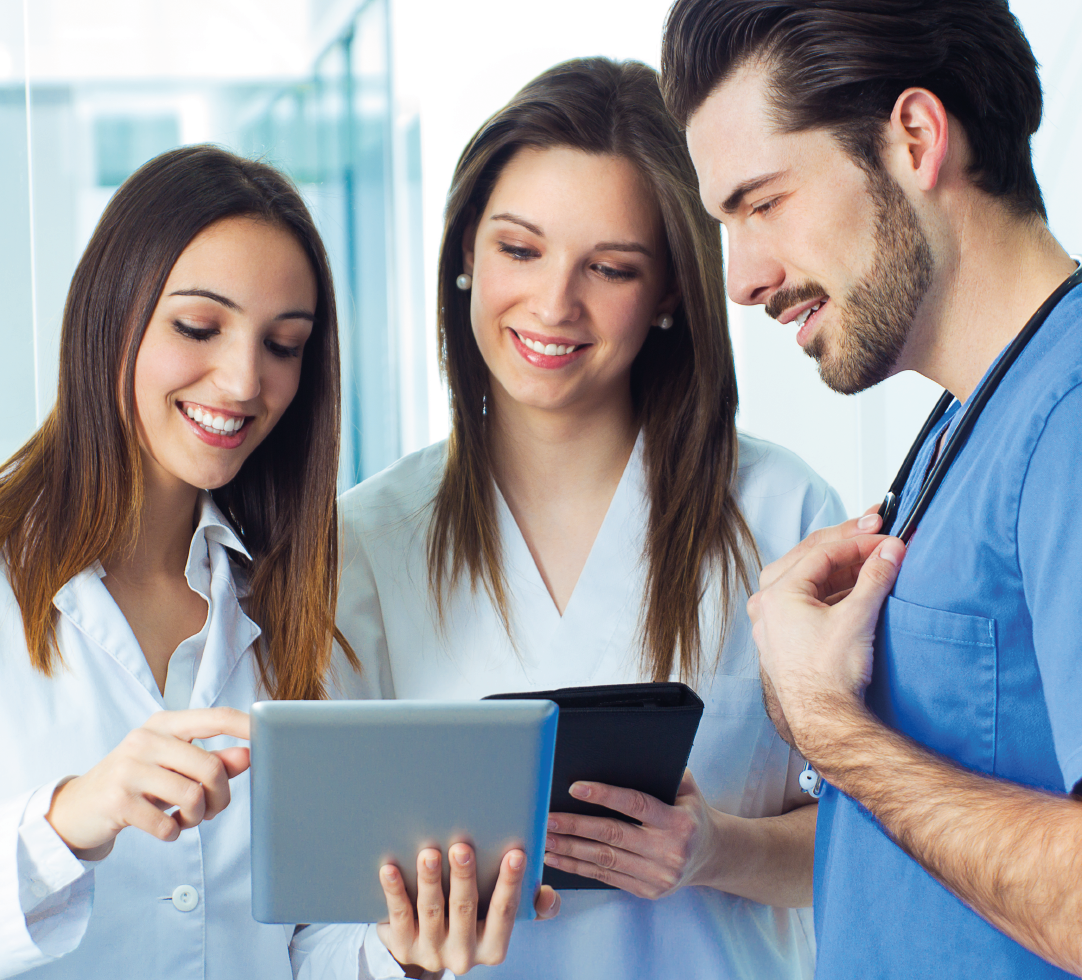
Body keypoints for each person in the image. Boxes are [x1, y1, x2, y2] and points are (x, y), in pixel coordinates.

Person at [336, 57, 846, 980]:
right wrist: (404, 953)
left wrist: (714, 848)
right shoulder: (365, 542)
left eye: (609, 268)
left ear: (669, 294)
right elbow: (319, 908)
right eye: (519, 250)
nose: (553, 304)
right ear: (465, 254)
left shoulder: (783, 513)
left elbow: (876, 844)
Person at [0, 145, 548, 980]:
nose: (243, 381)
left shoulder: (291, 601)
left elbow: (304, 940)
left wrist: (401, 953)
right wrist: (68, 821)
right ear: (109, 314)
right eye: (198, 327)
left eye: (284, 345)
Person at [661, 0, 1082, 976]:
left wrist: (831, 730)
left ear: (915, 139)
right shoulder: (967, 420)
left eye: (762, 204)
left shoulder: (1067, 413)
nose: (741, 278)